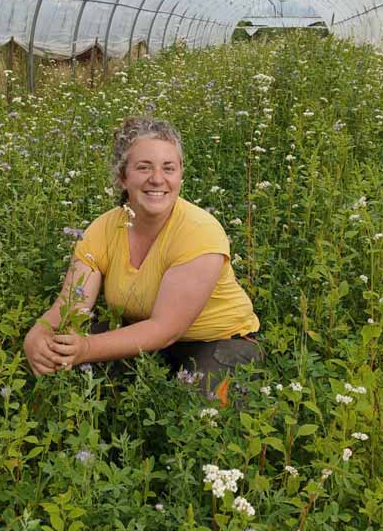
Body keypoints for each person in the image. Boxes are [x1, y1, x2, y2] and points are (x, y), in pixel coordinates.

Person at [23, 116, 262, 395]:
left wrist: (86, 348)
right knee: (66, 371)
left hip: (218, 342)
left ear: (180, 174)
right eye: (143, 167)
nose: (157, 179)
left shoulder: (200, 231)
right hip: (141, 335)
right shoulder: (102, 229)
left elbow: (165, 329)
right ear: (123, 177)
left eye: (168, 168)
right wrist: (38, 334)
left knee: (199, 412)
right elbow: (71, 303)